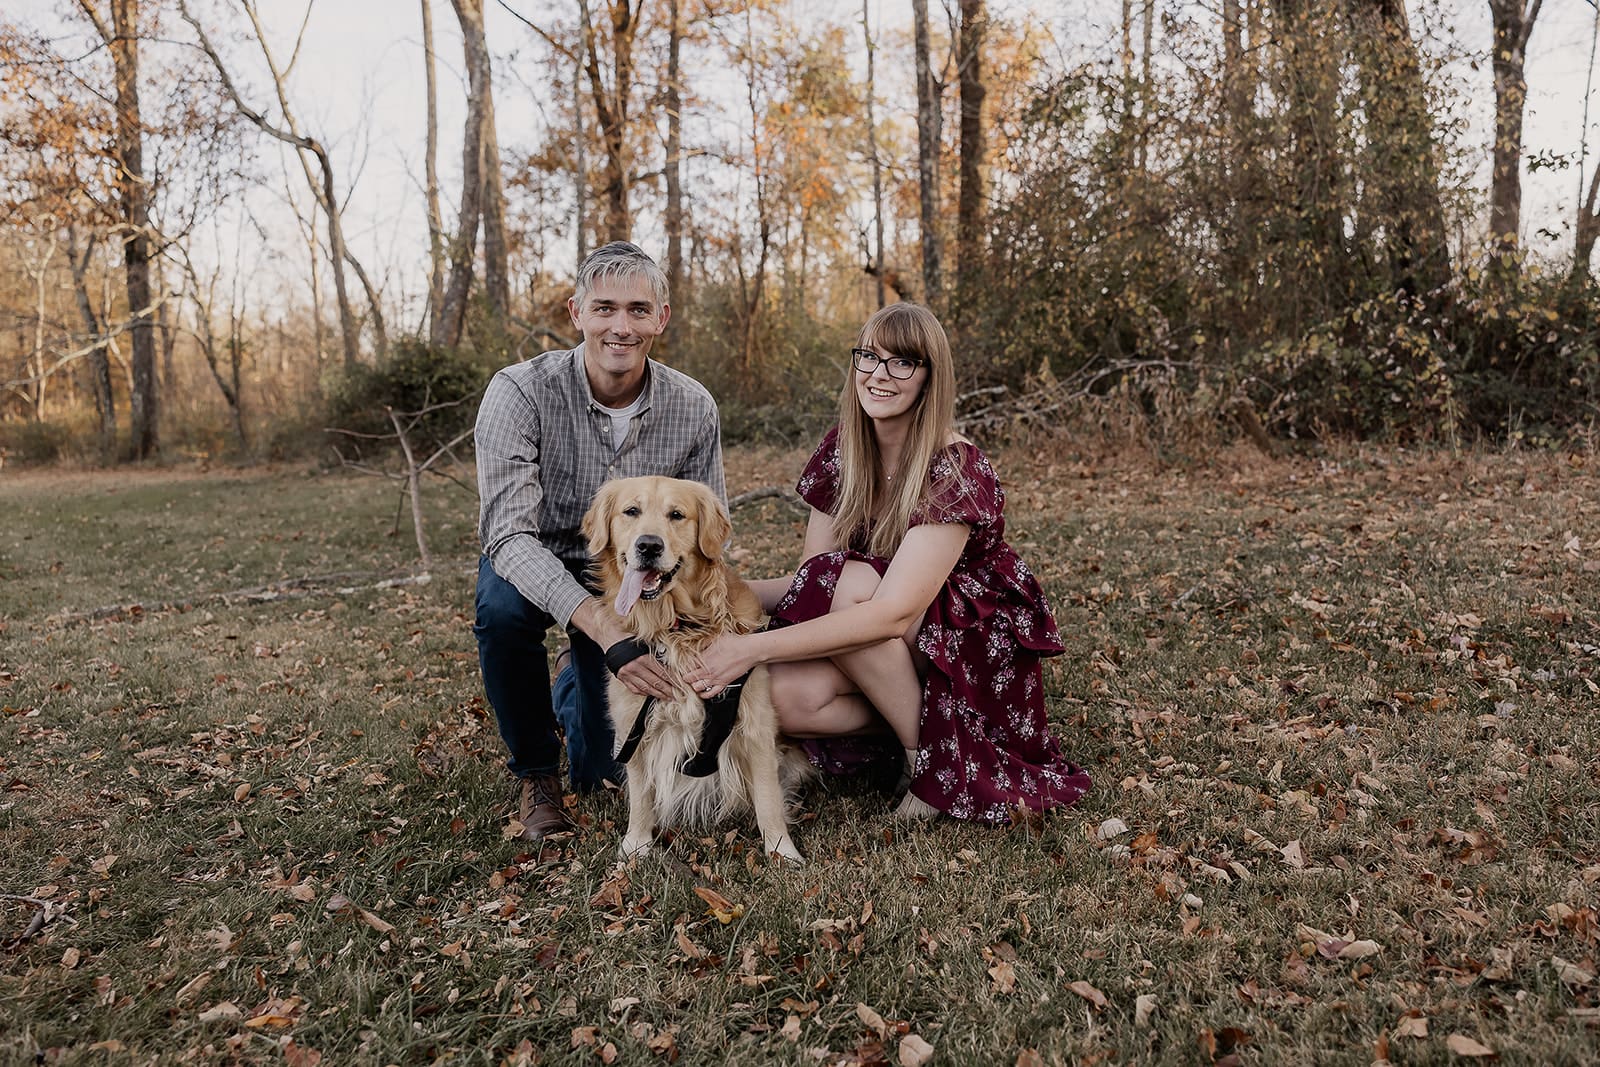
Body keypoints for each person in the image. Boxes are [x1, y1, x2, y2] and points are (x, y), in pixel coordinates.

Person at [684, 303, 1090, 824]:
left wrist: (750, 648)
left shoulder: (953, 466)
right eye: (869, 357)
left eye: (902, 363)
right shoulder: (844, 450)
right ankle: (939, 729)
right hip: (881, 628)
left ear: (929, 378)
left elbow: (892, 612)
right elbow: (813, 582)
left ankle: (928, 762)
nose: (878, 375)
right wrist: (714, 588)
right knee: (786, 698)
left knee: (851, 585)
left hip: (965, 631)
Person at [474, 241, 724, 841]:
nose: (621, 326)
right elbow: (507, 535)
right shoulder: (519, 392)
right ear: (576, 312)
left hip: (633, 568)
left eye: (639, 310)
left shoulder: (692, 407)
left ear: (661, 318)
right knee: (502, 612)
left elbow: (703, 537)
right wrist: (604, 628)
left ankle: (573, 685)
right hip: (536, 552)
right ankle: (536, 774)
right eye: (605, 308)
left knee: (601, 771)